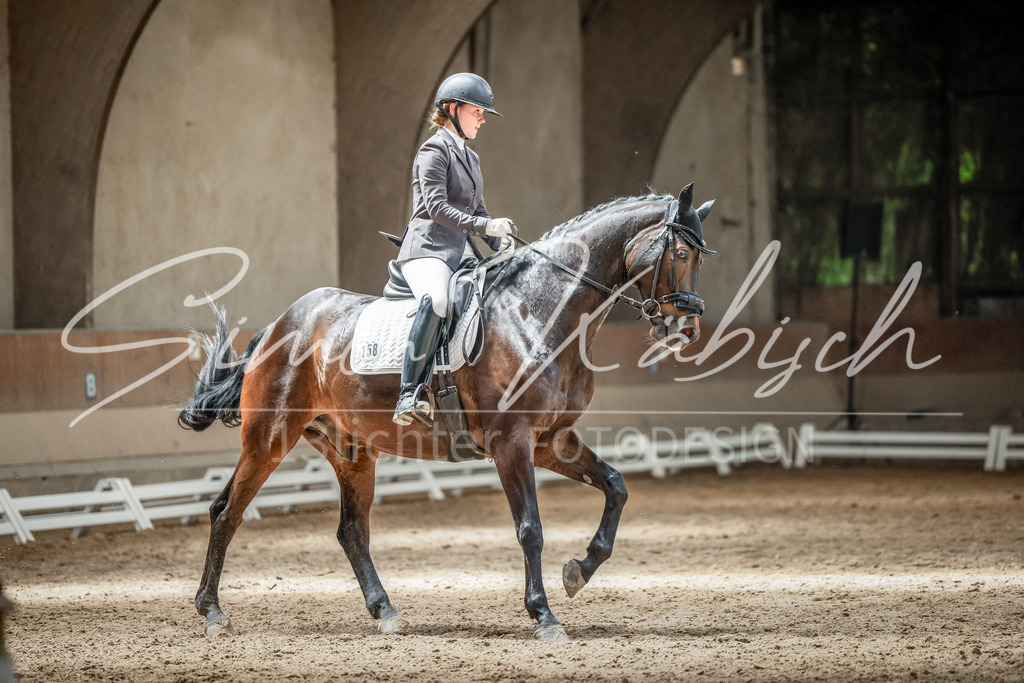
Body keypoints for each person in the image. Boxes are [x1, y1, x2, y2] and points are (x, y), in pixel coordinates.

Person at [392, 72, 514, 426]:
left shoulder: (472, 159)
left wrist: (502, 242)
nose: (482, 119)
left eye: (482, 113)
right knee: (439, 301)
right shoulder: (433, 149)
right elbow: (436, 208)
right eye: (477, 111)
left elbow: (479, 213)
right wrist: (484, 227)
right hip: (428, 249)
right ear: (452, 109)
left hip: (462, 254)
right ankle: (407, 394)